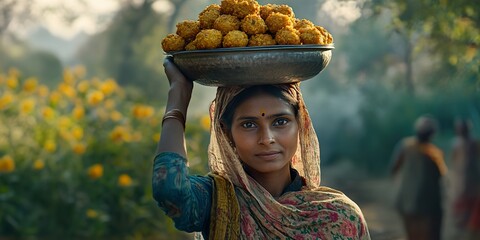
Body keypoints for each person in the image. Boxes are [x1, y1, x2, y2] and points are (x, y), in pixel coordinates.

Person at [152, 57, 370, 239]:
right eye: (249, 124)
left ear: (301, 125)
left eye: (280, 122)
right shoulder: (216, 202)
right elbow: (170, 189)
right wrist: (178, 96)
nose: (267, 138)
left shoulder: (340, 214)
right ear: (227, 134)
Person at [390, 115, 448, 240]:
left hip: (407, 201)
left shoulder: (405, 146)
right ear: (432, 134)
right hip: (427, 205)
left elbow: (394, 168)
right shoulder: (434, 153)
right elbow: (441, 175)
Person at [450, 118, 480, 239]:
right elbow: (454, 160)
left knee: (473, 200)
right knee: (461, 199)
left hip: (473, 178)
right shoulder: (456, 143)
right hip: (461, 177)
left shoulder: (474, 142)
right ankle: (463, 223)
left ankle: (472, 226)